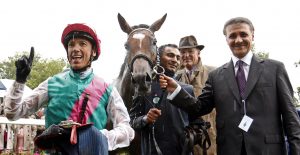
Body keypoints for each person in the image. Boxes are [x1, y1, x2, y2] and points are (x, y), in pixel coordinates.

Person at [159, 17, 300, 155]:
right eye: (232, 36)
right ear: (226, 40)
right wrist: (177, 90)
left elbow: (291, 117)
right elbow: (199, 107)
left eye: (243, 34)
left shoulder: (275, 69)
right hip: (229, 148)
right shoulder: (216, 76)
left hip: (268, 149)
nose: (238, 40)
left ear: (253, 36)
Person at [4, 23, 134, 154]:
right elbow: (13, 113)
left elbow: (127, 131)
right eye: (71, 45)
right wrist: (20, 81)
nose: (75, 49)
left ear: (93, 51)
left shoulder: (107, 89)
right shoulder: (52, 83)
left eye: (82, 44)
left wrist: (97, 137)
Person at [129, 44, 195, 155]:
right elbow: (132, 122)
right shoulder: (143, 88)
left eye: (178, 58)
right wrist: (145, 119)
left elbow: (196, 121)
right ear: (157, 58)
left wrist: (192, 135)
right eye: (170, 55)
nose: (175, 60)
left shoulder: (187, 89)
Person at [176, 35, 216, 155]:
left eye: (190, 51)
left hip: (208, 133)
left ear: (198, 53)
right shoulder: (176, 76)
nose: (186, 55)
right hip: (184, 136)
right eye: (183, 52)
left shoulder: (213, 72)